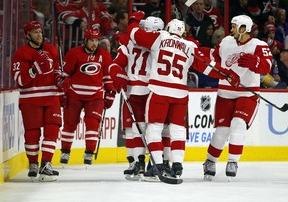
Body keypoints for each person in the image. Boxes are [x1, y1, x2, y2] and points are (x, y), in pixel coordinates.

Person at [111, 11, 240, 180]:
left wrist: (134, 20)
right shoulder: (189, 46)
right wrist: (227, 74)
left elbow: (134, 34)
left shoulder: (159, 38)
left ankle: (155, 165)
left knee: (152, 129)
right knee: (176, 131)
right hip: (180, 93)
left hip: (158, 90)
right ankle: (177, 166)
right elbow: (207, 66)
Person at [202, 15, 273, 180]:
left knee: (238, 124)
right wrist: (194, 48)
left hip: (247, 93)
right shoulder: (226, 41)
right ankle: (210, 161)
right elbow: (214, 56)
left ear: (243, 28)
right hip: (225, 93)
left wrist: (255, 62)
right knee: (222, 130)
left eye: (234, 26)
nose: (231, 29)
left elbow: (266, 67)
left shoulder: (258, 45)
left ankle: (232, 161)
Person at [109, 16, 165, 180]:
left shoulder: (129, 41)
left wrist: (116, 74)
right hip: (153, 88)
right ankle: (158, 161)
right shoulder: (161, 42)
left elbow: (116, 63)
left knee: (136, 127)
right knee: (155, 127)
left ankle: (139, 162)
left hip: (134, 88)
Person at [11, 21, 67, 181]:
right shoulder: (21, 53)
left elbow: (57, 70)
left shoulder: (51, 49)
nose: (39, 35)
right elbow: (20, 80)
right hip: (31, 98)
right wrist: (34, 69)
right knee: (32, 133)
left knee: (52, 130)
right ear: (28, 35)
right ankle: (33, 163)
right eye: (35, 32)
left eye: (40, 32)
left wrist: (61, 80)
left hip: (51, 97)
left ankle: (46, 164)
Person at [59, 29, 115, 166]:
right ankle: (65, 151)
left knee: (92, 123)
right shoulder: (74, 53)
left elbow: (107, 77)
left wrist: (110, 93)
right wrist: (63, 89)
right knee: (70, 123)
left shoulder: (104, 55)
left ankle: (89, 152)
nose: (94, 43)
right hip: (75, 95)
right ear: (85, 40)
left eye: (96, 40)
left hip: (95, 96)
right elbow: (64, 74)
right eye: (91, 40)